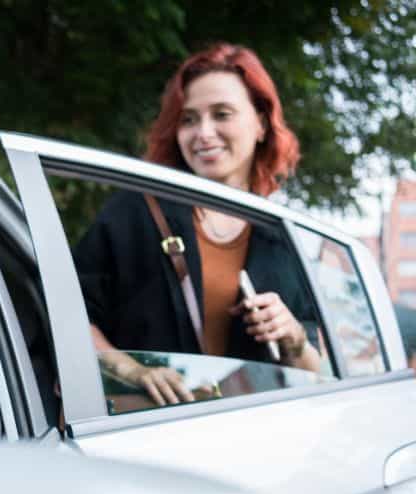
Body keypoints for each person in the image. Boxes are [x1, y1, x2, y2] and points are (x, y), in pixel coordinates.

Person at [74, 43, 323, 407]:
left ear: (260, 123)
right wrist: (134, 372)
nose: (203, 133)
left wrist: (293, 336)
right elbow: (67, 314)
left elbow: (316, 373)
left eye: (221, 114)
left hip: (253, 440)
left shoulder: (283, 236)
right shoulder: (136, 210)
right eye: (188, 119)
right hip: (139, 434)